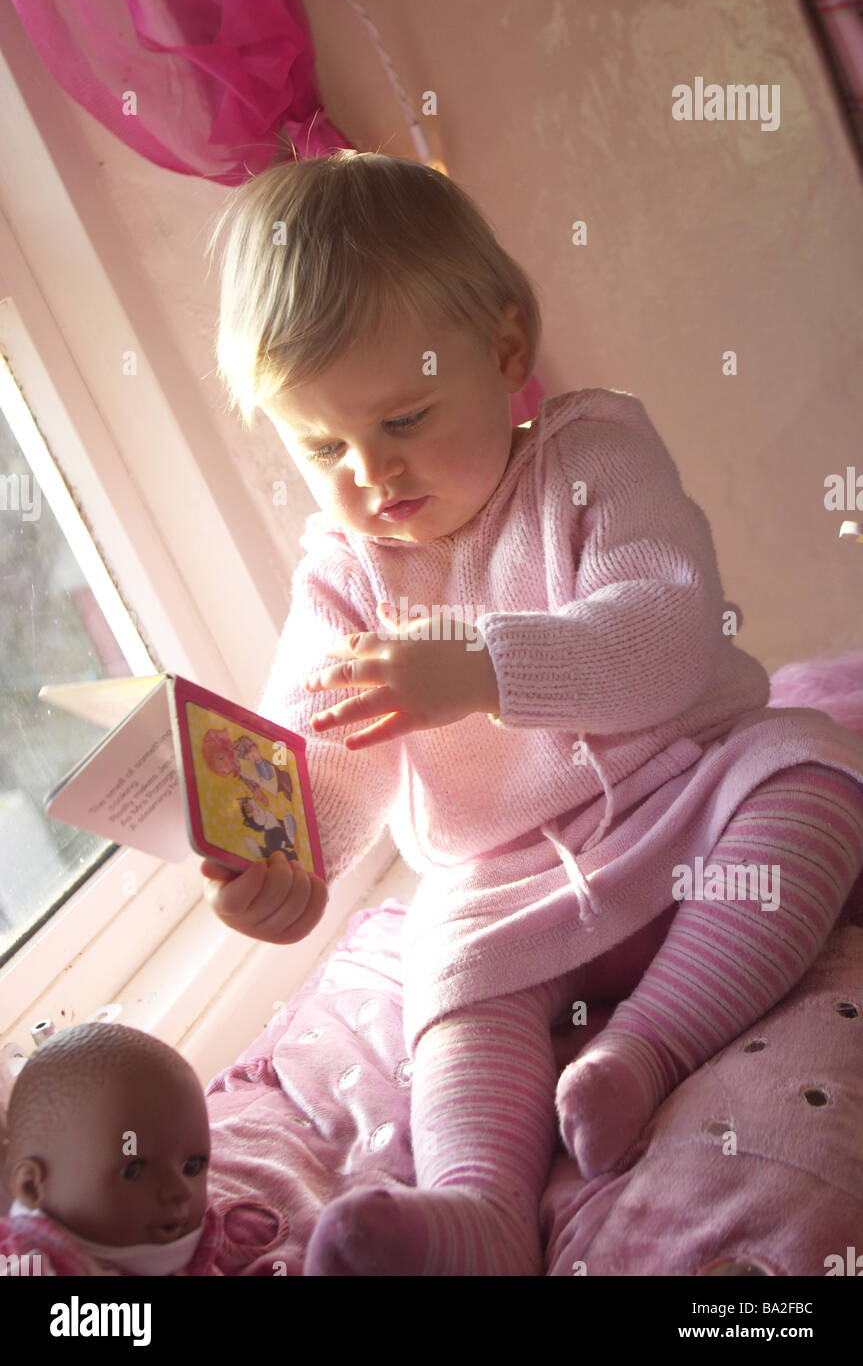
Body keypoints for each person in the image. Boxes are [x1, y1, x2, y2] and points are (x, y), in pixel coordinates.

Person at [200, 150, 863, 1276]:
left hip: (681, 807)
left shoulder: (589, 453)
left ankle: (645, 1049)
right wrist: (286, 864)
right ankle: (480, 1210)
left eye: (404, 415)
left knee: (810, 773)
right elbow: (326, 750)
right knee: (441, 975)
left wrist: (479, 666)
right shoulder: (342, 568)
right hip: (509, 890)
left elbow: (663, 632)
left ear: (505, 352)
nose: (369, 473)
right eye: (321, 447)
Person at [0, 1022, 222, 1275]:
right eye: (134, 1171)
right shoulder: (31, 1265)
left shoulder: (192, 1235)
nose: (179, 1190)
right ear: (32, 1186)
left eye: (191, 1167)